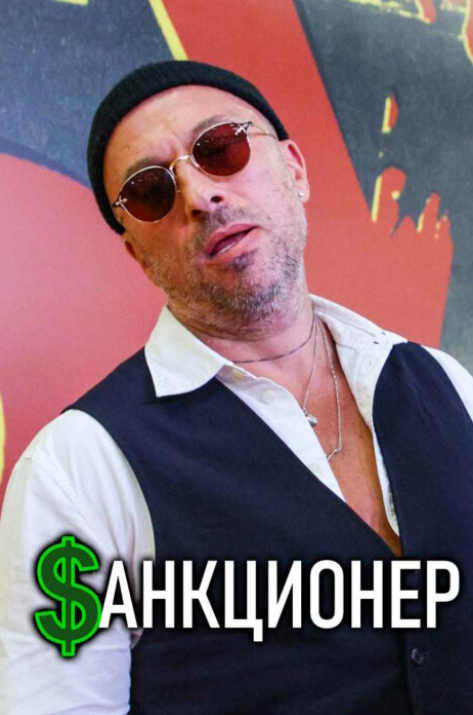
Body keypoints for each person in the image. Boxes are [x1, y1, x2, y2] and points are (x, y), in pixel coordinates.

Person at [1, 60, 473, 715]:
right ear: (137, 254)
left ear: (294, 169)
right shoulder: (79, 467)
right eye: (150, 190)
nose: (199, 196)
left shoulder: (444, 384)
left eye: (220, 147)